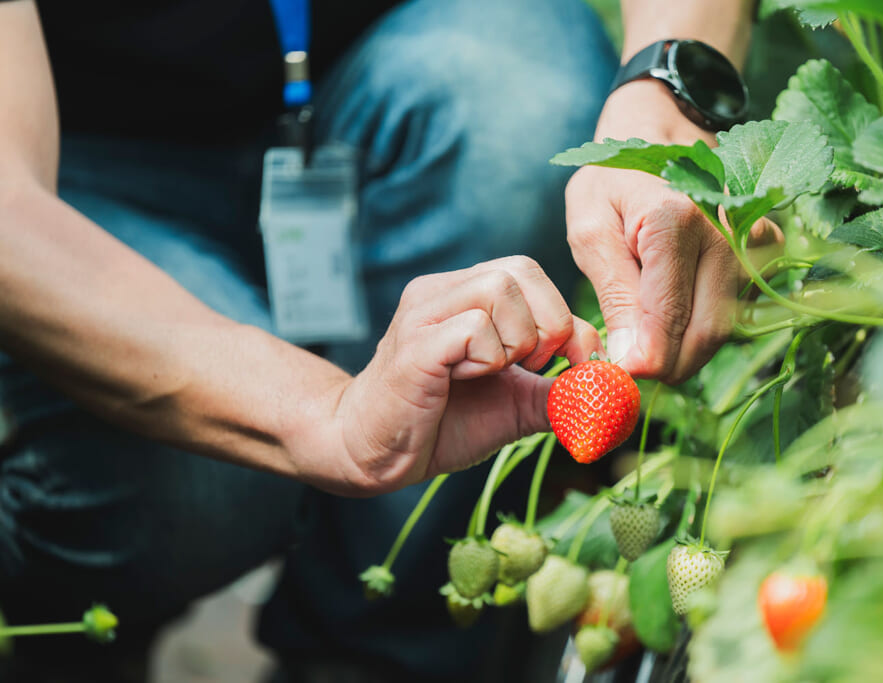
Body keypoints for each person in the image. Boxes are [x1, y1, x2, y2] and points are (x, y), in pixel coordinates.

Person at [0, 0, 768, 680]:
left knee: (520, 100)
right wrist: (327, 418)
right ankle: (70, 629)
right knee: (213, 476)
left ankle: (369, 649)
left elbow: (664, 88)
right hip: (76, 167)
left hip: (375, 75)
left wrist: (667, 92)